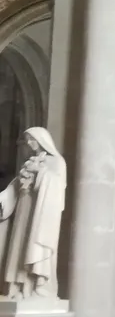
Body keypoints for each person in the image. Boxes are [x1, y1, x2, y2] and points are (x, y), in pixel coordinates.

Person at [0, 127, 66, 298]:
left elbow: (58, 186)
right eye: (28, 140)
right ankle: (18, 287)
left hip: (40, 212)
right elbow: (15, 186)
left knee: (34, 245)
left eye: (32, 139)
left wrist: (40, 172)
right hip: (24, 207)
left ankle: (36, 285)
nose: (30, 143)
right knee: (19, 245)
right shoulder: (30, 161)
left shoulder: (56, 162)